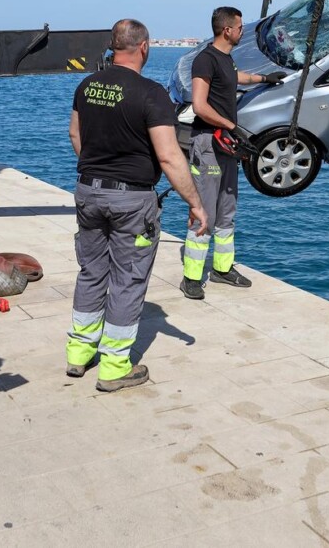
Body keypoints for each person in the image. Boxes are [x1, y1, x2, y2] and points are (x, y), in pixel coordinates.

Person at [67, 19, 207, 391]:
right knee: (128, 280)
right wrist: (195, 203)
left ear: (114, 46)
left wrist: (96, 170)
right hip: (131, 200)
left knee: (91, 272)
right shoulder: (151, 93)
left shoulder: (87, 85)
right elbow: (170, 157)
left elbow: (75, 134)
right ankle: (114, 367)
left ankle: (79, 352)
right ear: (144, 47)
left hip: (87, 191)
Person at [180, 6, 284, 300]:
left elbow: (237, 78)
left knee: (227, 209)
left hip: (226, 144)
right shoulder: (205, 60)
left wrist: (266, 80)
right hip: (208, 143)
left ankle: (222, 269)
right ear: (227, 30)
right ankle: (191, 276)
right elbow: (199, 105)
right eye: (239, 27)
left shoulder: (226, 59)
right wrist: (230, 125)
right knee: (204, 213)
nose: (242, 31)